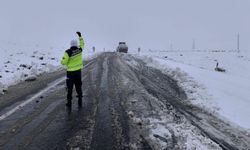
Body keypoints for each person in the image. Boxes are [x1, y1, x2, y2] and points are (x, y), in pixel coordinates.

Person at [61, 32, 84, 107]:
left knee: (69, 87)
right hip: (78, 72)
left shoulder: (68, 52)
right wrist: (80, 36)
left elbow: (64, 62)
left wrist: (62, 60)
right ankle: (80, 99)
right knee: (78, 85)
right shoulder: (80, 50)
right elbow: (82, 44)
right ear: (76, 44)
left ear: (70, 45)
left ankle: (69, 102)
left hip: (70, 73)